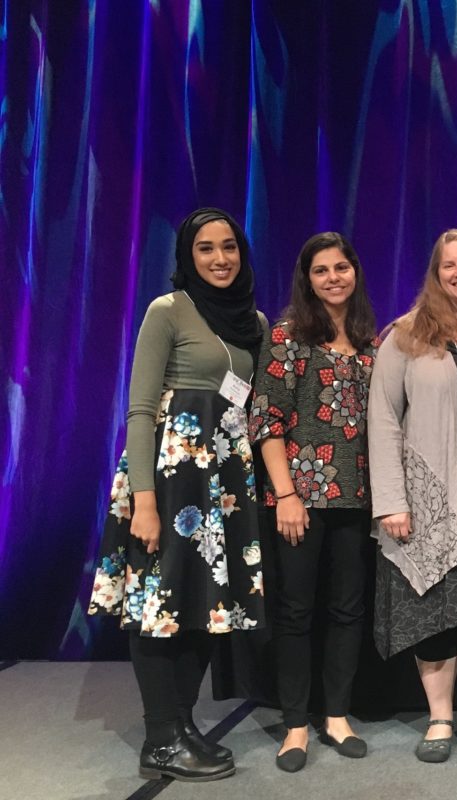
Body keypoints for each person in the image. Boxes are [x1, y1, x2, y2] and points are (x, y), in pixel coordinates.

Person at [88, 207, 267, 781]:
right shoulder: (167, 311)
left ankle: (182, 723)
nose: (220, 259)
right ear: (188, 258)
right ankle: (160, 737)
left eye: (229, 248)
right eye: (206, 249)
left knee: (205, 606)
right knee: (158, 607)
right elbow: (141, 410)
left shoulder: (255, 322)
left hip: (225, 483)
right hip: (170, 479)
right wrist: (144, 500)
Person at [367, 229, 457, 763]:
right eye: (448, 264)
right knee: (436, 608)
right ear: (435, 271)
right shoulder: (405, 335)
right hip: (431, 493)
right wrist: (391, 501)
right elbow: (382, 420)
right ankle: (439, 717)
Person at [250, 232, 377, 773]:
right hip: (298, 499)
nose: (333, 278)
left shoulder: (373, 341)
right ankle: (296, 723)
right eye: (321, 270)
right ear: (307, 278)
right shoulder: (288, 335)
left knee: (348, 611)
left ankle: (338, 715)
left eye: (341, 267)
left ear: (355, 272)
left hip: (357, 498)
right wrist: (285, 494)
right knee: (296, 612)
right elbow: (266, 418)